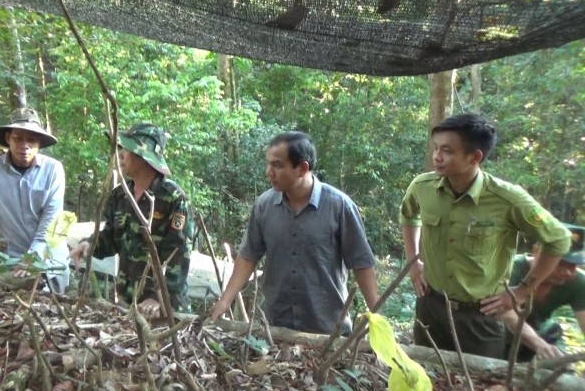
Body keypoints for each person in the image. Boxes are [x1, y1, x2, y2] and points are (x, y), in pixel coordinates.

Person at [400, 113, 571, 359]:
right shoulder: (422, 187)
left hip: (480, 318)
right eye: (436, 148)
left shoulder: (507, 199)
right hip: (431, 307)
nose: (437, 156)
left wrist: (522, 291)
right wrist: (413, 260)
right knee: (424, 377)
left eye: (447, 151)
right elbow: (408, 215)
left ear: (475, 156)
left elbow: (559, 240)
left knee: (477, 390)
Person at [210, 131, 379, 335]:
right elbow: (247, 257)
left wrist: (377, 317)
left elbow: (361, 263)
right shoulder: (265, 206)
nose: (269, 172)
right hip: (274, 329)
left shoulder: (339, 206)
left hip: (326, 331)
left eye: (277, 165)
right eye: (269, 164)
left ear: (302, 168)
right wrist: (225, 301)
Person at [69, 123, 193, 317]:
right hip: (129, 302)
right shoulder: (120, 196)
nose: (121, 154)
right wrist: (88, 244)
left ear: (143, 156)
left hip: (165, 310)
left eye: (126, 149)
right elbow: (110, 238)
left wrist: (159, 297)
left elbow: (178, 255)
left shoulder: (173, 198)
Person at [0, 107, 69, 292]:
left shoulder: (53, 170)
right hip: (10, 259)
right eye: (18, 138)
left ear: (39, 142)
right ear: (8, 138)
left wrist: (32, 257)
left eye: (31, 139)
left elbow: (51, 219)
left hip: (50, 259)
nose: (25, 145)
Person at [480, 224, 585, 360]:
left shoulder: (578, 282)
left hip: (540, 335)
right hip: (496, 335)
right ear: (537, 251)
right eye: (560, 263)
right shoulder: (509, 269)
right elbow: (508, 314)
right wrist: (537, 343)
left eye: (573, 265)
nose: (567, 272)